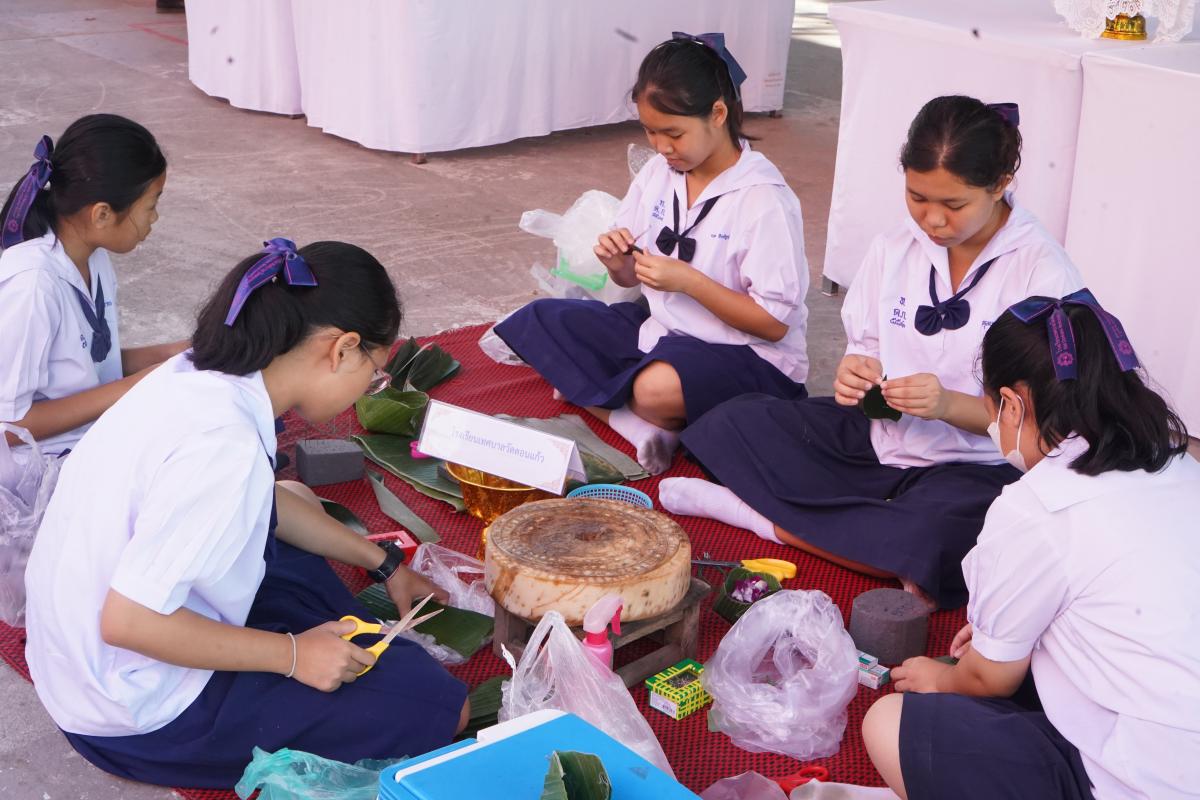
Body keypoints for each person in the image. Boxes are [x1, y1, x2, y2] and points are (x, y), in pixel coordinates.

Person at [24, 239, 469, 788]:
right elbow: (129, 622)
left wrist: (385, 564)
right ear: (343, 349)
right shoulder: (223, 446)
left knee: (297, 502)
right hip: (135, 710)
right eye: (374, 373)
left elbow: (267, 501)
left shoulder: (196, 374)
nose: (367, 390)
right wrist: (292, 655)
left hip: (72, 661)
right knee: (439, 706)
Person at [661, 95, 1082, 608]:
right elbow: (866, 348)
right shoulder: (894, 247)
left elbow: (1045, 427)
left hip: (976, 467)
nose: (932, 220)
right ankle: (863, 538)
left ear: (1000, 184)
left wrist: (948, 405)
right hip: (880, 440)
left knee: (940, 538)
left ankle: (754, 516)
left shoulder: (1042, 273)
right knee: (731, 423)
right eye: (917, 197)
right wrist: (856, 373)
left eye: (954, 205)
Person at [863, 290, 1200, 800]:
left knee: (888, 721)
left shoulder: (1034, 507)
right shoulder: (1180, 462)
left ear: (1013, 405)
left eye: (991, 410)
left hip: (1144, 777)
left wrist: (941, 677)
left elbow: (988, 679)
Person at [495, 32, 809, 475]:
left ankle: (617, 403)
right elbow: (628, 279)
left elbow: (774, 325)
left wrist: (690, 282)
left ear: (718, 114)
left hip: (743, 356)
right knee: (536, 321)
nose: (661, 147)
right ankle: (637, 422)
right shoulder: (660, 174)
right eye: (650, 131)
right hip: (661, 335)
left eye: (674, 133)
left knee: (654, 390)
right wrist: (617, 261)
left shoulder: (764, 200)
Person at [0, 114, 188, 455]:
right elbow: (8, 425)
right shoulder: (32, 285)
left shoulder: (92, 256)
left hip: (91, 439)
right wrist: (133, 386)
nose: (155, 217)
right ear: (102, 214)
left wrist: (174, 353)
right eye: (151, 205)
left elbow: (87, 365)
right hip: (41, 465)